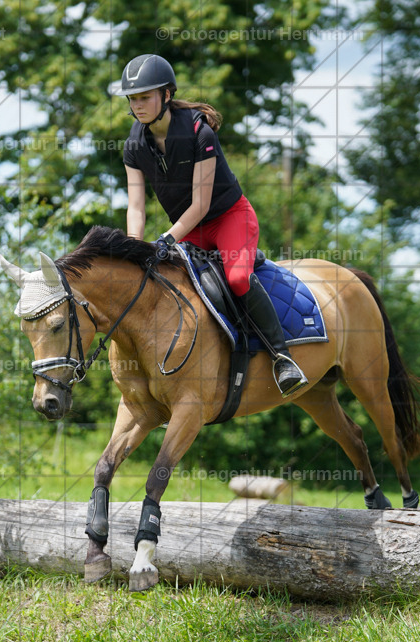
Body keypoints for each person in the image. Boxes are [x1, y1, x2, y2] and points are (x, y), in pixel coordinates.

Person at [109, 54, 308, 397]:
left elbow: (201, 205)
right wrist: (132, 247)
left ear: (167, 95)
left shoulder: (200, 132)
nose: (137, 105)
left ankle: (282, 357)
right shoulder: (134, 145)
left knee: (236, 278)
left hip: (229, 218)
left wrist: (167, 239)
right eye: (133, 98)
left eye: (145, 96)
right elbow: (136, 207)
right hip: (191, 230)